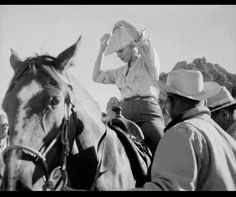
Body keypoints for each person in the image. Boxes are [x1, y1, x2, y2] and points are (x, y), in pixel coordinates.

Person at [128, 69, 236, 191]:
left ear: (171, 101)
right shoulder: (226, 139)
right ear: (202, 100)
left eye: (167, 101)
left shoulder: (183, 132)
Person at [92, 20, 164, 155]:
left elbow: (141, 39)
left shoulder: (148, 61)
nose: (118, 55)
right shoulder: (119, 72)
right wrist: (101, 50)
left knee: (162, 149)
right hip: (124, 117)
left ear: (132, 45)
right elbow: (96, 76)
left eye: (120, 50)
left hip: (148, 116)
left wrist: (121, 23)